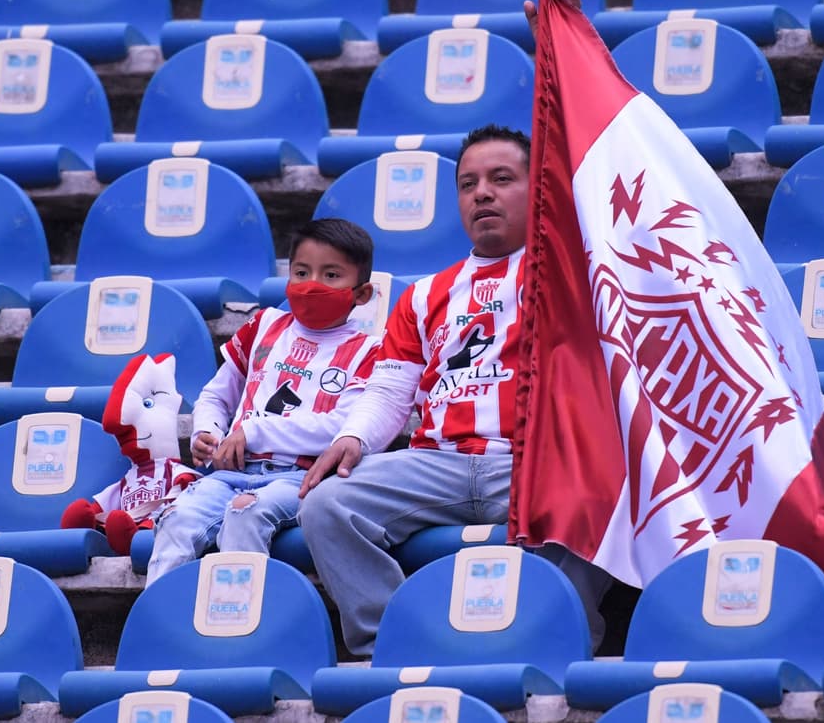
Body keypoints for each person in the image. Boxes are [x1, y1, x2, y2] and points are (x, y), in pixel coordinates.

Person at [298, 107, 611, 656]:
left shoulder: (575, 273)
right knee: (326, 505)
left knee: (606, 486)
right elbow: (392, 389)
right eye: (469, 184)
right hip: (434, 464)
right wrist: (354, 439)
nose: (482, 194)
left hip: (531, 462)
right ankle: (397, 645)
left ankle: (561, 640)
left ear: (538, 187)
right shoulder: (422, 296)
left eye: (502, 179)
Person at [144, 218, 382, 585]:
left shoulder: (370, 351)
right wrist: (207, 430)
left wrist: (253, 432)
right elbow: (217, 393)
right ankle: (157, 621)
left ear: (361, 294)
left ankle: (237, 625)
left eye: (331, 275)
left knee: (245, 513)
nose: (312, 285)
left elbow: (341, 430)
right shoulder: (264, 326)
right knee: (177, 518)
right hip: (228, 473)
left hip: (301, 479)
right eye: (302, 272)